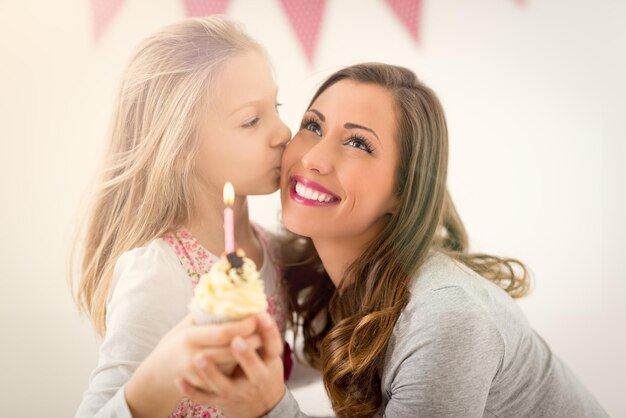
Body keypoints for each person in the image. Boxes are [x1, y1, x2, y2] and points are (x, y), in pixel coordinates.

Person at [176, 63, 609, 418]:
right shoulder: (318, 273)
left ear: (404, 191)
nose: (312, 158)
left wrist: (269, 407)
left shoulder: (447, 316)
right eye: (312, 126)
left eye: (357, 144)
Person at [72, 16, 291, 418]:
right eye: (251, 120)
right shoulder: (158, 270)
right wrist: (156, 382)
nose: (284, 132)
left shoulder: (273, 250)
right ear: (180, 149)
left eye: (276, 108)